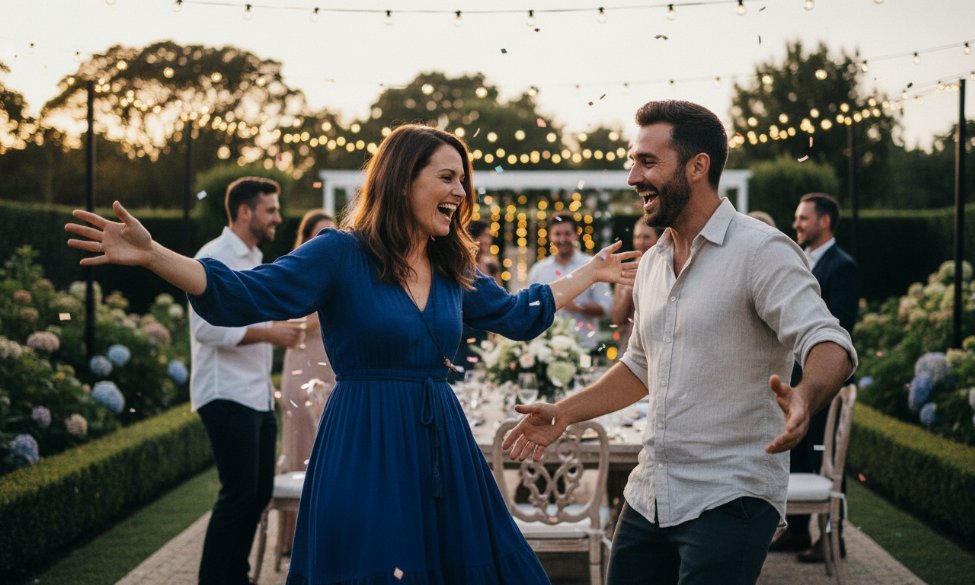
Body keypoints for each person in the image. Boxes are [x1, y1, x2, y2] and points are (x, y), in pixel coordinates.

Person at [65, 123, 640, 585]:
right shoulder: (338, 253)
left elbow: (519, 314)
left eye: (463, 181)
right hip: (364, 441)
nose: (461, 194)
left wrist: (590, 271)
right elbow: (244, 293)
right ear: (402, 180)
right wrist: (155, 255)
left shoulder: (451, 266)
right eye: (448, 178)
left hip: (442, 442)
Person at [502, 100, 857, 585]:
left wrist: (807, 396)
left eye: (647, 162)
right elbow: (639, 366)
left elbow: (827, 338)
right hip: (650, 491)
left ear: (697, 166)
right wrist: (566, 412)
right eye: (633, 161)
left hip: (731, 494)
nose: (632, 177)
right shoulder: (651, 262)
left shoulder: (761, 250)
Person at [189, 176, 303, 585]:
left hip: (255, 395)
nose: (278, 217)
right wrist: (270, 333)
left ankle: (235, 575)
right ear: (245, 211)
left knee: (256, 495)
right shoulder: (212, 257)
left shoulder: (255, 258)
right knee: (238, 495)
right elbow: (207, 329)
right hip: (224, 393)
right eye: (271, 209)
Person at [770, 192, 860, 562]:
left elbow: (838, 327)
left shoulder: (842, 266)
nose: (796, 224)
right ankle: (797, 532)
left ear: (824, 222)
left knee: (824, 457)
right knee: (799, 457)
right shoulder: (801, 261)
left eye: (803, 218)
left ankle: (830, 538)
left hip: (823, 384)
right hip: (795, 382)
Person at [276, 208, 337, 552]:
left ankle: (327, 536)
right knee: (300, 447)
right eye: (319, 234)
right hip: (302, 364)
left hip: (332, 366)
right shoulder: (296, 271)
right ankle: (295, 541)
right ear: (305, 239)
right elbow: (291, 321)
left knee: (330, 449)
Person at [527, 212, 612, 349]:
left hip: (584, 346)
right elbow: (529, 308)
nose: (562, 239)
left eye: (567, 233)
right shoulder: (538, 270)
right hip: (546, 349)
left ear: (576, 235)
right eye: (557, 234)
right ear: (550, 236)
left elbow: (606, 308)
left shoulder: (592, 265)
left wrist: (578, 306)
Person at [453, 220, 500, 376]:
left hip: (484, 327)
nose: (487, 240)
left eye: (488, 236)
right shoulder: (461, 264)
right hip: (465, 327)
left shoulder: (492, 265)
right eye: (483, 236)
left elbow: (499, 295)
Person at [610, 218, 661, 355]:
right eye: (637, 237)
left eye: (647, 237)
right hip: (630, 346)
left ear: (657, 239)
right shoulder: (626, 270)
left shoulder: (665, 268)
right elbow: (616, 320)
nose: (641, 242)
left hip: (658, 345)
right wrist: (627, 294)